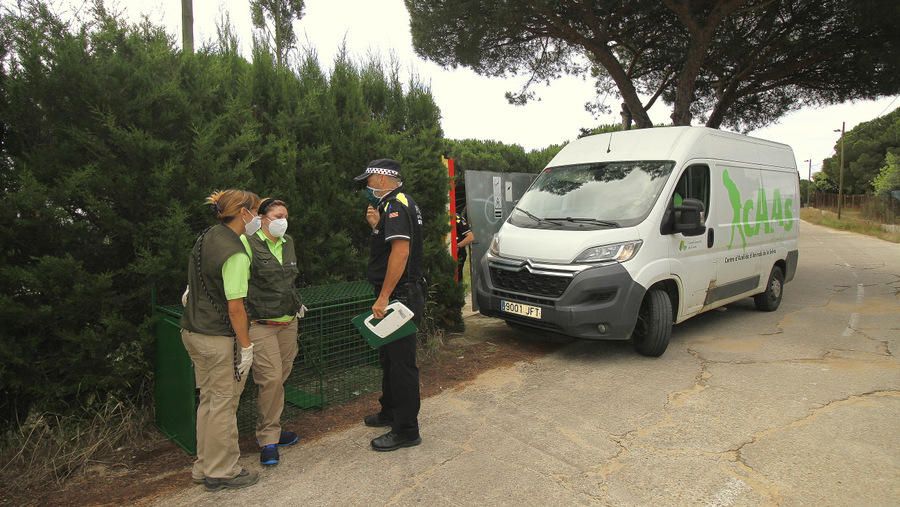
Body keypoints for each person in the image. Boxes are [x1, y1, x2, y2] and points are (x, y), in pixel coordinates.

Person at [180, 189, 261, 492]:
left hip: (193, 331)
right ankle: (223, 470)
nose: (258, 216)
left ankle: (204, 466)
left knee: (209, 400)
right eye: (256, 210)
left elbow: (198, 276)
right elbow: (235, 306)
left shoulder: (209, 235)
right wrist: (246, 346)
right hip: (217, 337)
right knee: (225, 404)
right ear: (244, 213)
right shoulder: (235, 252)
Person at [354, 158, 426, 452]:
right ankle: (390, 411)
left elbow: (400, 252)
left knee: (401, 365)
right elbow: (387, 247)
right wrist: (375, 228)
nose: (367, 187)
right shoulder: (394, 205)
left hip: (399, 297)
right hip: (397, 293)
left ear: (382, 179)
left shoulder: (395, 204)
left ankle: (407, 430)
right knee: (389, 359)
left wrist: (384, 297)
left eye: (369, 181)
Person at [243, 198, 302, 466]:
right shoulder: (248, 243)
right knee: (271, 379)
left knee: (282, 376)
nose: (283, 220)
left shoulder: (288, 242)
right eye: (278, 215)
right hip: (261, 324)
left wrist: (297, 304)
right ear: (262, 218)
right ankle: (267, 438)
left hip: (289, 321)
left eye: (286, 215)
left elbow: (289, 279)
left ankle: (273, 427)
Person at [454, 211, 475, 282]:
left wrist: (457, 246)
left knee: (457, 279)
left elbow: (470, 237)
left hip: (459, 254)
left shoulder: (457, 218)